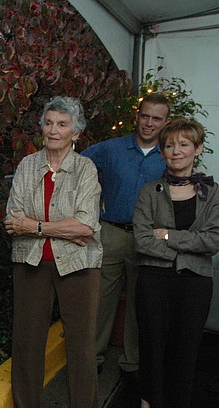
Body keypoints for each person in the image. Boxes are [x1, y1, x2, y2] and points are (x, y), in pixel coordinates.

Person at [4, 96, 102, 408]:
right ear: (41, 127)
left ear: (76, 132)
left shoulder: (86, 169)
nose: (54, 130)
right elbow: (12, 219)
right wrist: (54, 227)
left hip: (79, 266)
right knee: (27, 341)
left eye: (62, 124)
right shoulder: (27, 166)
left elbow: (86, 227)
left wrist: (37, 226)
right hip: (31, 261)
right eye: (49, 123)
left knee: (82, 346)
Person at [131, 119, 219, 408]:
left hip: (195, 282)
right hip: (154, 279)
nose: (176, 151)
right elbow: (142, 240)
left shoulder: (213, 194)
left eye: (184, 144)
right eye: (169, 145)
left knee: (186, 347)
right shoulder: (149, 191)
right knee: (152, 344)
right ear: (163, 152)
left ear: (197, 149)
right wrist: (185, 243)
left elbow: (211, 241)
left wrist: (169, 235)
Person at [82, 93, 171, 378]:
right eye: (145, 115)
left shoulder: (170, 154)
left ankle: (132, 363)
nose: (149, 123)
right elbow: (76, 166)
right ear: (137, 115)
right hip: (111, 233)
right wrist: (91, 200)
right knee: (100, 300)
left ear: (165, 122)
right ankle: (92, 358)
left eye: (156, 118)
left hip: (149, 239)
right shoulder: (110, 149)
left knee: (139, 303)